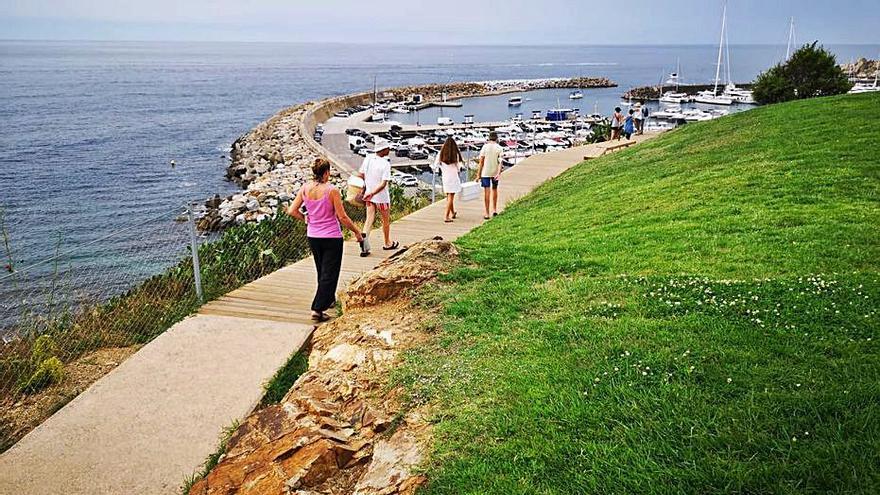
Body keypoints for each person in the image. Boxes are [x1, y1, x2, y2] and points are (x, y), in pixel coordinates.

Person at [287, 159, 363, 322]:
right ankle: (317, 308)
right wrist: (357, 232)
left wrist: (306, 218)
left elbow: (292, 210)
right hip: (331, 236)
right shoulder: (332, 190)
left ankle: (328, 299)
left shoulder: (305, 188)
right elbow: (342, 216)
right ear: (326, 172)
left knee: (322, 271)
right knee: (330, 273)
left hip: (313, 236)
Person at [356, 141, 398, 256]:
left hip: (369, 195)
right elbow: (383, 184)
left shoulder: (368, 159)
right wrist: (373, 193)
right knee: (385, 221)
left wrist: (367, 191)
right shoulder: (385, 164)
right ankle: (387, 243)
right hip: (381, 197)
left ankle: (364, 241)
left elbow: (361, 174)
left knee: (369, 219)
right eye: (387, 148)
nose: (389, 150)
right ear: (383, 150)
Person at [434, 137, 463, 223]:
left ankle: (453, 212)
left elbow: (435, 165)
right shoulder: (455, 155)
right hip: (453, 177)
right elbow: (458, 168)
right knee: (451, 196)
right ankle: (446, 216)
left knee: (449, 196)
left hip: (445, 177)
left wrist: (441, 167)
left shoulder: (440, 154)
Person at [477, 131, 503, 219]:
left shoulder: (485, 147)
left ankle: (487, 213)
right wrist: (498, 173)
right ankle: (495, 210)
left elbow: (481, 162)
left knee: (486, 192)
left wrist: (478, 174)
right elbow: (500, 162)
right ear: (496, 138)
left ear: (489, 138)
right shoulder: (499, 148)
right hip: (495, 172)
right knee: (495, 190)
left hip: (485, 173)